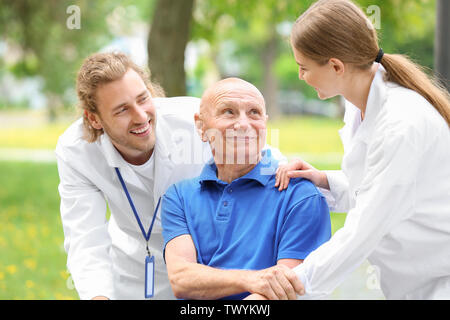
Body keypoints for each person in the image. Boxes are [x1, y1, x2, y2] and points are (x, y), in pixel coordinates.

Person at [274, 0, 450, 299]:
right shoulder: (361, 109)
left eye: (303, 67)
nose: (301, 76)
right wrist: (325, 180)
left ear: (336, 66)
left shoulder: (400, 124)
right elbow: (380, 189)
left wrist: (287, 286)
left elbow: (362, 232)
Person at [56, 52, 212, 300]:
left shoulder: (195, 119)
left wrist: (286, 168)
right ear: (94, 119)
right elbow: (85, 240)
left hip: (206, 265)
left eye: (143, 99)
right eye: (122, 110)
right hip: (132, 270)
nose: (141, 116)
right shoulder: (76, 150)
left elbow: (258, 156)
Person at [161, 77, 331, 300]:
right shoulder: (178, 196)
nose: (243, 124)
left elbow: (285, 291)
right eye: (229, 112)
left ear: (265, 124)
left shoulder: (300, 195)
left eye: (254, 113)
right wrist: (251, 279)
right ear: (201, 126)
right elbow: (182, 280)